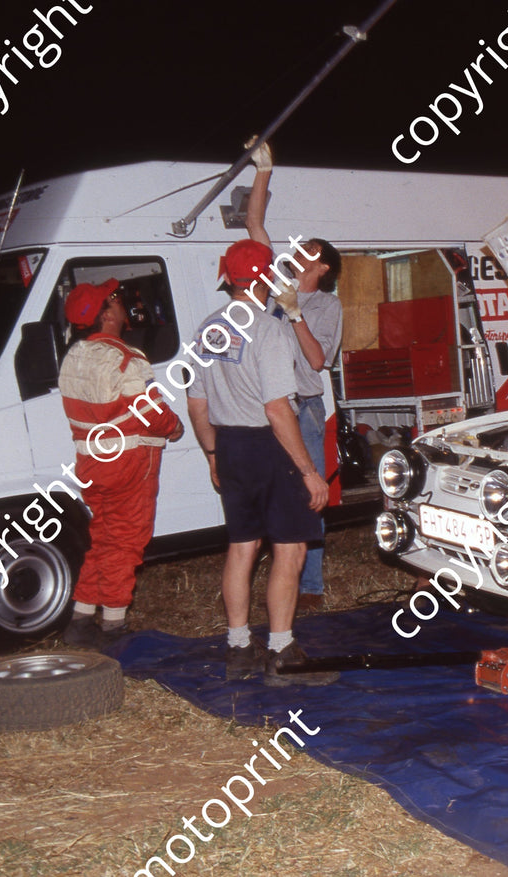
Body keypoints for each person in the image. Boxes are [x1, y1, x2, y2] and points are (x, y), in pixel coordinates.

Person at [185, 239, 337, 686]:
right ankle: (282, 651)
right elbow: (277, 409)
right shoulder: (268, 330)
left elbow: (197, 404)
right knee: (290, 548)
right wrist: (309, 472)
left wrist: (213, 454)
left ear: (228, 277)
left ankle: (238, 648)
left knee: (242, 546)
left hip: (230, 445)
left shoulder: (208, 328)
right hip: (269, 447)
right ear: (265, 278)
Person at [58, 279, 183, 648]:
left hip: (91, 461)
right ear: (107, 316)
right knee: (126, 541)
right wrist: (174, 427)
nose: (120, 303)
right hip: (130, 461)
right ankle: (114, 625)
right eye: (113, 300)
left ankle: (81, 619)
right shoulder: (128, 358)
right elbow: (151, 412)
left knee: (103, 538)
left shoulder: (73, 357)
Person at [246, 140, 344, 613]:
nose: (301, 251)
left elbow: (318, 361)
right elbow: (254, 227)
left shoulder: (327, 305)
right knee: (274, 491)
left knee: (310, 492)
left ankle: (311, 586)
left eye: (312, 250)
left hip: (304, 408)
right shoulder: (273, 287)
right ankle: (284, 573)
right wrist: (264, 171)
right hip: (271, 407)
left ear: (323, 268)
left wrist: (294, 313)